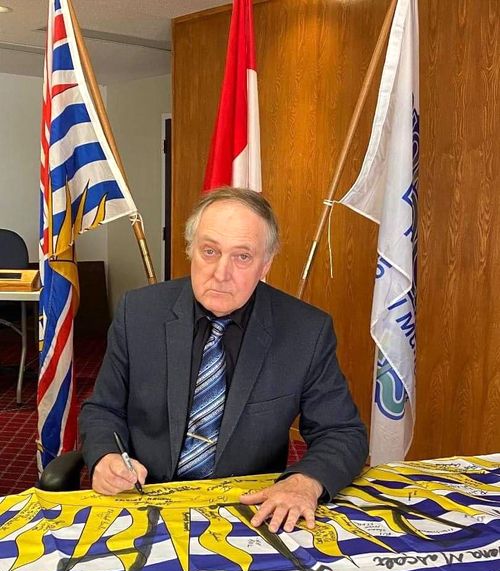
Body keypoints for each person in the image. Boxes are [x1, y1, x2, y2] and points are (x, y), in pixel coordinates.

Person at [80, 187, 367, 532]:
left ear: (266, 264)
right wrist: (105, 458)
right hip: (144, 500)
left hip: (247, 513)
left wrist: (305, 481)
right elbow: (103, 409)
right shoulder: (138, 313)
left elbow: (342, 432)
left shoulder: (306, 331)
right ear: (191, 250)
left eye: (242, 256)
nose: (220, 272)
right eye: (210, 251)